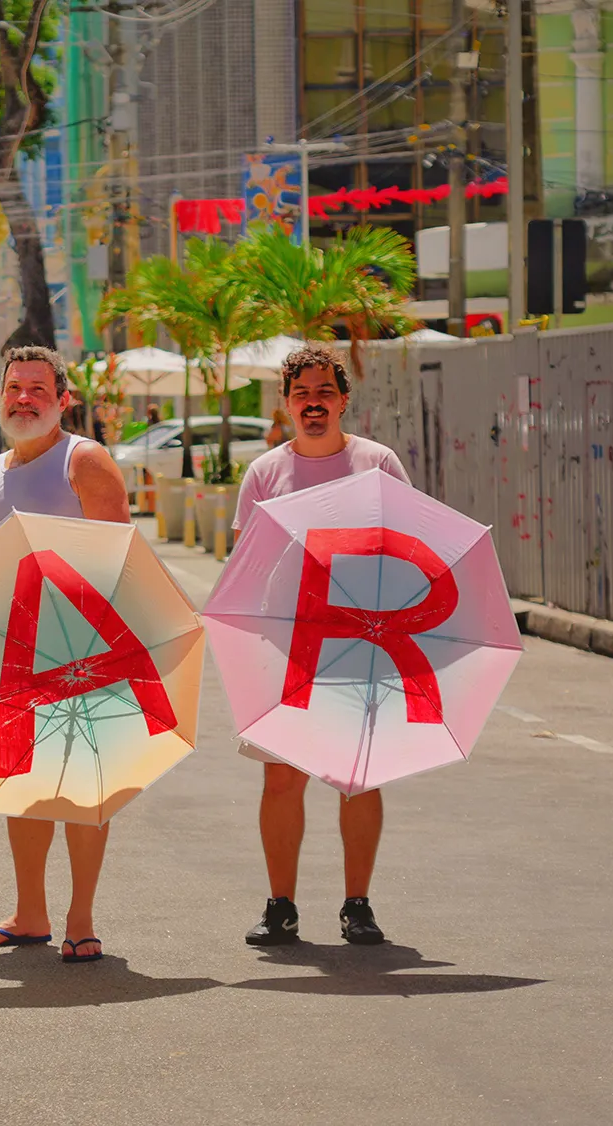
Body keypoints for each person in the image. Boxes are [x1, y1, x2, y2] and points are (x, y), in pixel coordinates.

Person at [0, 347, 132, 965]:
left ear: (64, 400)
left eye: (37, 388)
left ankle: (80, 918)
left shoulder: (82, 461)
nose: (23, 398)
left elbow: (118, 563)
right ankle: (29, 912)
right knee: (22, 786)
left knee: (84, 789)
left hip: (81, 651)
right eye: (14, 388)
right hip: (10, 653)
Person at [234, 344, 411, 948]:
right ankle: (280, 906)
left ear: (343, 399)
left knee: (358, 777)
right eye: (302, 394)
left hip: (360, 641)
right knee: (281, 780)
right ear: (286, 404)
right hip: (286, 645)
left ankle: (357, 905)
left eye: (324, 393)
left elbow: (410, 546)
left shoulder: (377, 464)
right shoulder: (265, 473)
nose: (314, 404)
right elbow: (248, 565)